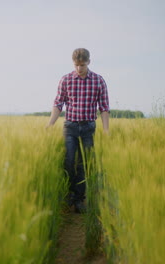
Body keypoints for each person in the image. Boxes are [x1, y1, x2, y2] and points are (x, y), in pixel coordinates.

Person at [46, 48, 110, 214]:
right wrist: (50, 123)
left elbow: (104, 107)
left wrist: (106, 129)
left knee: (84, 164)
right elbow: (58, 103)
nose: (79, 68)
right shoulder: (66, 80)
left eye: (82, 65)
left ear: (89, 62)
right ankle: (69, 195)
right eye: (76, 65)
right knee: (68, 161)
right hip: (70, 127)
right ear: (73, 63)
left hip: (89, 127)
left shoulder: (98, 80)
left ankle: (79, 199)